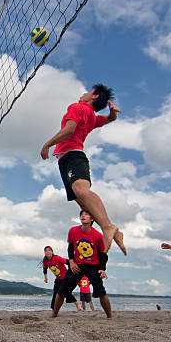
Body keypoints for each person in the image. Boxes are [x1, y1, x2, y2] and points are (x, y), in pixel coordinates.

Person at [40, 84, 126, 256]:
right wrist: (112, 112)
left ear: (94, 96)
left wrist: (47, 144)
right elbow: (110, 119)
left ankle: (108, 227)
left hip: (73, 155)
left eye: (89, 91)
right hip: (65, 160)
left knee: (81, 190)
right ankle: (114, 232)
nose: (84, 93)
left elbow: (69, 130)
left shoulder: (77, 107)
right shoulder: (92, 117)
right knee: (82, 202)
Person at [51, 210, 112, 318]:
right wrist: (71, 261)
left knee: (101, 292)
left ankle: (109, 316)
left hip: (93, 266)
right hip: (77, 265)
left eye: (87, 214)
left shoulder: (98, 236)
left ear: (92, 219)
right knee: (62, 291)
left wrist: (102, 269)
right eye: (82, 214)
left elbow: (103, 255)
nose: (83, 216)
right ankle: (54, 314)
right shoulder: (73, 231)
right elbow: (70, 247)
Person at [42, 246, 81, 311]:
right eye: (46, 251)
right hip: (58, 279)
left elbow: (68, 262)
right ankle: (53, 308)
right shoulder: (45, 261)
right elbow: (45, 269)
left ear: (52, 252)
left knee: (66, 292)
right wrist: (46, 278)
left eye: (49, 250)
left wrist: (71, 270)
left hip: (65, 278)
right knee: (55, 293)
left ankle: (77, 305)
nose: (47, 252)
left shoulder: (57, 258)